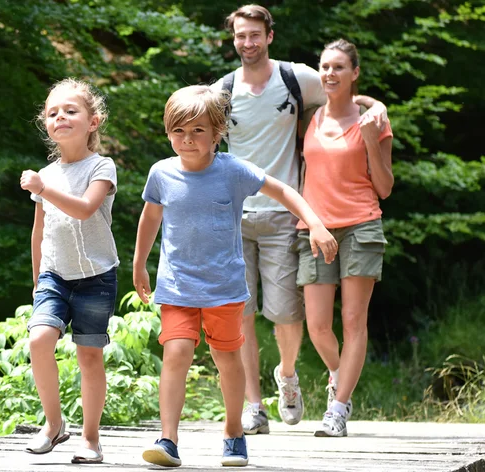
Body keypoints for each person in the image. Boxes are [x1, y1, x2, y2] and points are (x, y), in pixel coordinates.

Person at [133, 85, 337, 468]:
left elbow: (282, 191)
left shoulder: (232, 170)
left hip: (224, 288)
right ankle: (168, 440)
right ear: (167, 132)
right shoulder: (161, 173)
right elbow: (150, 217)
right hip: (177, 286)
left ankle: (233, 432)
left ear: (217, 133)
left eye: (197, 130)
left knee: (227, 359)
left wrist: (315, 224)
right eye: (179, 131)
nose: (187, 139)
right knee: (176, 354)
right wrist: (139, 261)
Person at [214, 4, 388, 433]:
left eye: (255, 34)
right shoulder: (220, 90)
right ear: (233, 39)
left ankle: (294, 379)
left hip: (288, 215)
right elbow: (190, 131)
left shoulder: (296, 78)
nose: (247, 42)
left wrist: (375, 104)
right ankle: (255, 406)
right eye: (241, 35)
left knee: (289, 317)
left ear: (269, 36)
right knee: (243, 314)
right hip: (237, 216)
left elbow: (340, 91)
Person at [294, 39, 393, 437]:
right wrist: (374, 101)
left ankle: (337, 409)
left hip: (361, 225)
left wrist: (370, 134)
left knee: (354, 321)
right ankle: (340, 375)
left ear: (354, 73)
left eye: (339, 67)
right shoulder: (310, 118)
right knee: (317, 325)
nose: (330, 73)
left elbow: (385, 187)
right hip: (314, 227)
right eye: (325, 67)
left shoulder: (375, 122)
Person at [19, 78, 120, 463]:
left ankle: (91, 439)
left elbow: (83, 209)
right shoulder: (48, 174)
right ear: (45, 124)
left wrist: (42, 189)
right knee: (39, 340)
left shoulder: (102, 167)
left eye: (71, 110)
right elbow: (39, 229)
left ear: (93, 122)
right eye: (52, 112)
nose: (60, 116)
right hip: (55, 276)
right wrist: (37, 278)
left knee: (89, 355)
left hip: (96, 277)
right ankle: (54, 424)